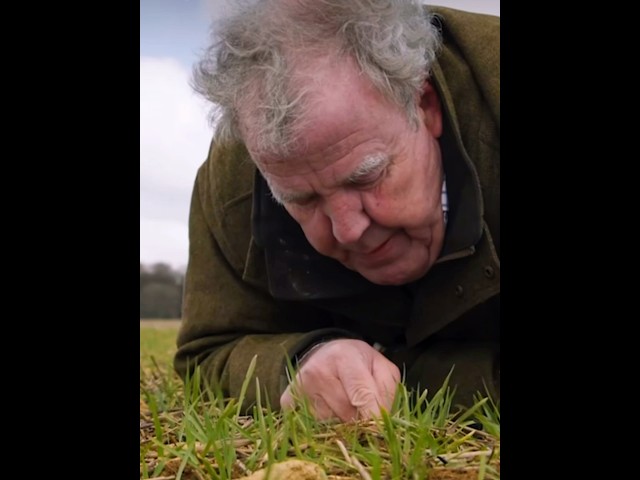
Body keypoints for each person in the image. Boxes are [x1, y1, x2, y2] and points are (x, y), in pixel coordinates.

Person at [174, 0, 500, 422]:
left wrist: (407, 377)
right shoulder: (235, 177)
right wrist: (298, 364)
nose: (347, 231)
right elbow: (207, 354)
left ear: (425, 105)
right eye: (302, 200)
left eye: (366, 178)